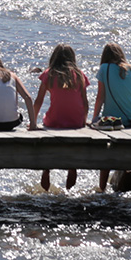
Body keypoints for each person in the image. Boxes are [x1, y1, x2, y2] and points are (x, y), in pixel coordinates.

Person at [91, 43, 131, 191]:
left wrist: (94, 118)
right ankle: (129, 183)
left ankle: (102, 188)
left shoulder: (104, 69)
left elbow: (100, 97)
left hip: (111, 122)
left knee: (107, 155)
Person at [33, 44, 89, 190]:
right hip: (75, 121)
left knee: (48, 123)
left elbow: (39, 100)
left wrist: (32, 122)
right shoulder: (80, 75)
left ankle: (46, 170)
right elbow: (84, 101)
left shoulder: (48, 74)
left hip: (54, 121)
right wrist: (83, 122)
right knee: (73, 143)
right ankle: (72, 167)